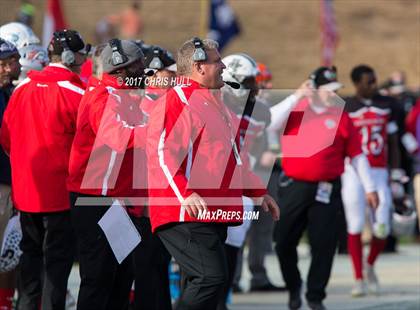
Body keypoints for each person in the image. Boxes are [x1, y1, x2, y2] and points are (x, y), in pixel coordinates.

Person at [146, 37, 280, 310]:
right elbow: (161, 152)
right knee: (211, 277)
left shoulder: (216, 104)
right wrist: (185, 193)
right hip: (184, 209)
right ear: (198, 66)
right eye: (216, 60)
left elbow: (233, 160)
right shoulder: (177, 100)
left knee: (203, 284)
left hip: (210, 209)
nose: (222, 65)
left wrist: (257, 192)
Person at [269, 66, 379, 310]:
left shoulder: (341, 116)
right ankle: (294, 285)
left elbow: (357, 155)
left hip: (327, 188)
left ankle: (315, 296)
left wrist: (370, 188)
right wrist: (296, 96)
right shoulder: (296, 110)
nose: (332, 95)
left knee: (324, 244)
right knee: (284, 241)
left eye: (335, 90)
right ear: (313, 90)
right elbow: (270, 123)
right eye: (327, 90)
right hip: (294, 186)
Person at [0, 29, 86, 310]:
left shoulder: (21, 89)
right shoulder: (77, 93)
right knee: (56, 268)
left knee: (30, 260)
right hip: (61, 195)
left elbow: (7, 139)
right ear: (72, 56)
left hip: (26, 196)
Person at [67, 39, 148, 310]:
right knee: (99, 279)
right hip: (97, 201)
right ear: (121, 69)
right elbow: (119, 137)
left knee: (121, 279)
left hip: (117, 201)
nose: (144, 71)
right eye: (138, 65)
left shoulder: (123, 96)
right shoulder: (103, 97)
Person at [343, 64, 403, 296]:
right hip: (354, 171)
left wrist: (396, 173)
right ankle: (358, 278)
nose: (373, 85)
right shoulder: (346, 106)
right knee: (355, 224)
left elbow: (394, 140)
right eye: (369, 81)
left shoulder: (387, 104)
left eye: (375, 80)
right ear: (357, 83)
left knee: (382, 226)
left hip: (379, 170)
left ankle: (370, 265)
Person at [0, 38, 20, 310]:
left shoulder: (9, 93)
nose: (14, 66)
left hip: (10, 184)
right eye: (8, 62)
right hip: (1, 185)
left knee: (8, 252)